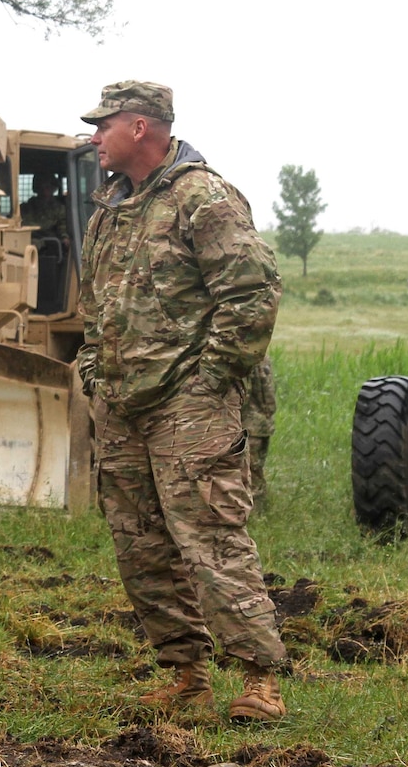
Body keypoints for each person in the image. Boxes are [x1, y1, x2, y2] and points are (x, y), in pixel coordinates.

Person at [76, 80, 288, 723]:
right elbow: (96, 305)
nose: (94, 138)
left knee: (212, 540)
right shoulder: (110, 207)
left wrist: (209, 379)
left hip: (189, 406)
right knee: (140, 546)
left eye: (102, 126)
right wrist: (93, 368)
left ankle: (259, 681)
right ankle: (185, 673)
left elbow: (253, 295)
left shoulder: (204, 197)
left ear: (140, 128)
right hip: (122, 404)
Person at [243, 355, 277, 508]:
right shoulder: (263, 359)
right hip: (262, 423)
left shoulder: (247, 360)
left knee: (252, 470)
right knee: (256, 469)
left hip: (251, 425)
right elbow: (269, 396)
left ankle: (256, 510)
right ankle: (259, 507)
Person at [20, 174, 69, 239]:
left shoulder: (59, 209)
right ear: (36, 188)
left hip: (49, 244)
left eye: (47, 187)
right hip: (26, 239)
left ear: (53, 188)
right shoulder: (25, 208)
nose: (44, 191)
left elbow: (63, 226)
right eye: (41, 187)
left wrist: (64, 237)